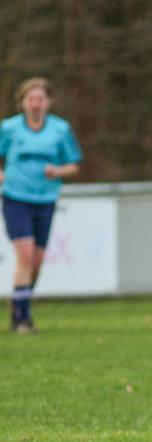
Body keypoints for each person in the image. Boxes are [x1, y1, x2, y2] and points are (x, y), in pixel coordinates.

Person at [0, 78, 82, 334]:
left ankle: (20, 302)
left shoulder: (60, 129)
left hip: (45, 200)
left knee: (36, 262)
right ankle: (22, 320)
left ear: (48, 102)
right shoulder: (9, 128)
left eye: (40, 99)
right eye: (31, 99)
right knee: (24, 255)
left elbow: (74, 165)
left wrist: (57, 171)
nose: (36, 104)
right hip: (15, 198)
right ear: (23, 102)